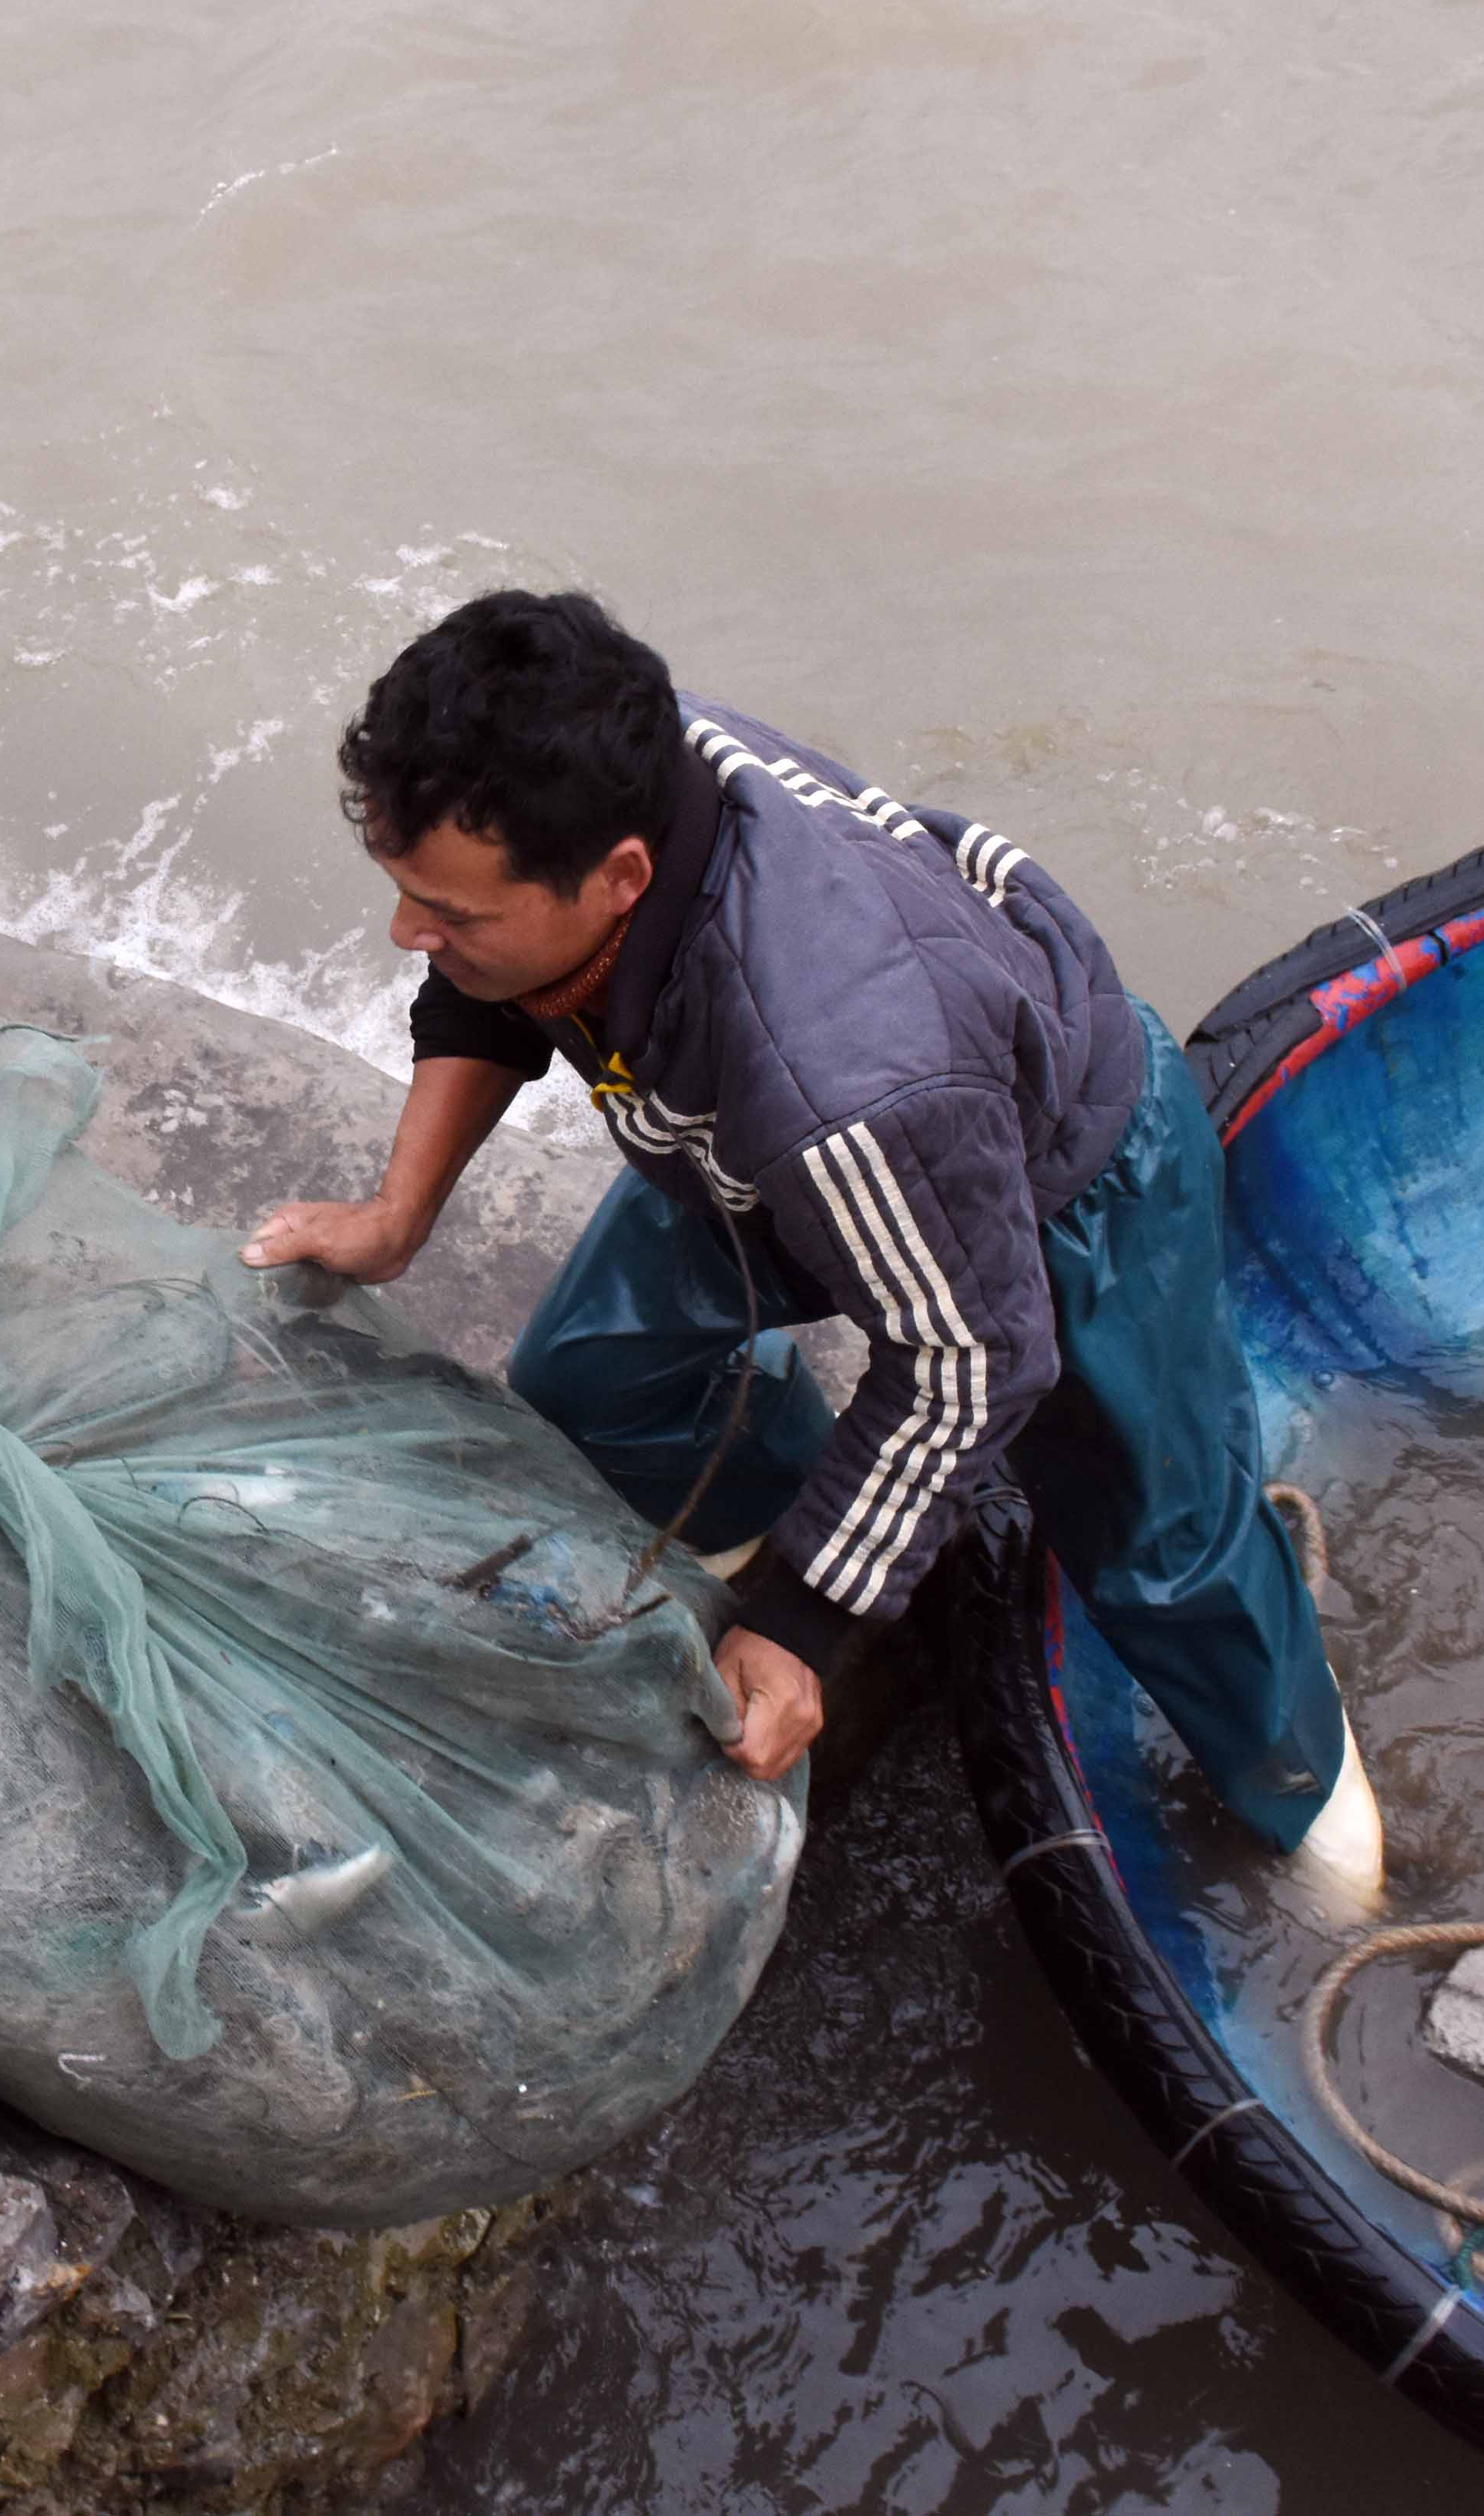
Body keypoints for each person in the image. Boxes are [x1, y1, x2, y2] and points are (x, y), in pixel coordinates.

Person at [241, 592, 1382, 1892]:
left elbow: (978, 1354)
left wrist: (797, 1624)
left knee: (1159, 1548)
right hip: (748, 1150)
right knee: (594, 1374)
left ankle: (1303, 1791)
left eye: (446, 910)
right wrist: (398, 1217)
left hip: (1047, 1186)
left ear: (620, 878)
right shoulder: (603, 795)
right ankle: (868, 1531)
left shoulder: (845, 1074)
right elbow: (485, 985)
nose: (409, 933)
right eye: (405, 894)